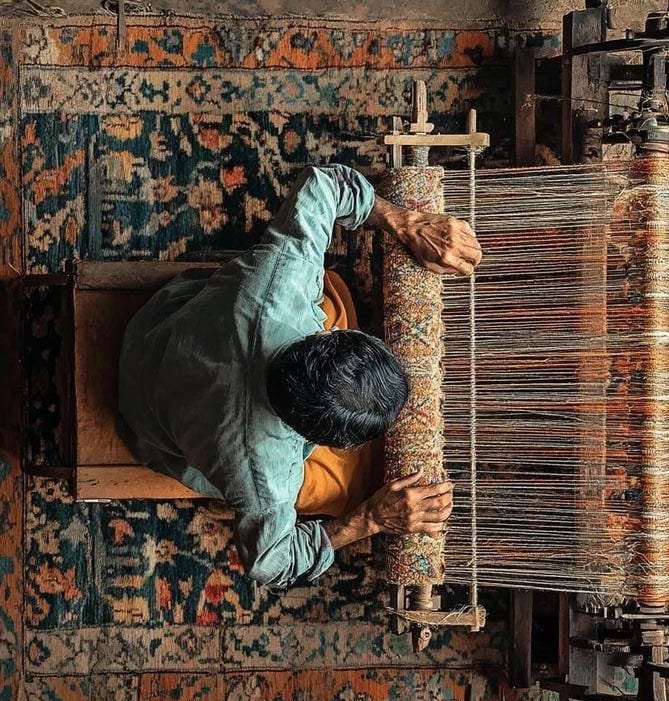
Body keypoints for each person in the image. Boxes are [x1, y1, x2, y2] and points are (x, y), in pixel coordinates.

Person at [118, 164, 481, 589]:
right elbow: (269, 565)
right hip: (149, 426)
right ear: (326, 442)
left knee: (329, 292)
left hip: (157, 327)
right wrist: (368, 518)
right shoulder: (264, 474)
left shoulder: (281, 280)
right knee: (347, 484)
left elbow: (322, 185)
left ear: (331, 340)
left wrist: (407, 221)